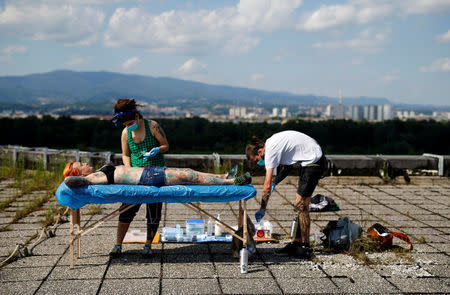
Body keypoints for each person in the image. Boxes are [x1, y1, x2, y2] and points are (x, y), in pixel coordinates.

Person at [245, 130, 327, 259]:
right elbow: (288, 167)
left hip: (313, 162)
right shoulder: (272, 143)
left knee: (301, 205)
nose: (258, 163)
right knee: (300, 206)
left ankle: (305, 248)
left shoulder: (270, 150)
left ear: (260, 152)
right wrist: (275, 182)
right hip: (310, 160)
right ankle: (297, 243)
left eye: (256, 160)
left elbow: (265, 186)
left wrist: (262, 207)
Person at [110, 98, 170, 258]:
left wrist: (157, 150)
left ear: (137, 116)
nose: (129, 127)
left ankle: (148, 245)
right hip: (135, 175)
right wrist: (129, 171)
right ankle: (118, 244)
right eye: (126, 125)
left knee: (154, 211)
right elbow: (125, 154)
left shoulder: (153, 126)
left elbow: (166, 145)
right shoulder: (126, 133)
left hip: (156, 172)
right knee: (126, 210)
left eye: (131, 123)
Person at [63, 161, 251, 187]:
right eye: (82, 164)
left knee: (189, 172)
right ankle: (233, 182)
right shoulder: (89, 178)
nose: (86, 163)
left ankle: (224, 176)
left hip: (149, 173)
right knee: (191, 177)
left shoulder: (95, 173)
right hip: (147, 178)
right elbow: (70, 181)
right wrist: (75, 177)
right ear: (78, 171)